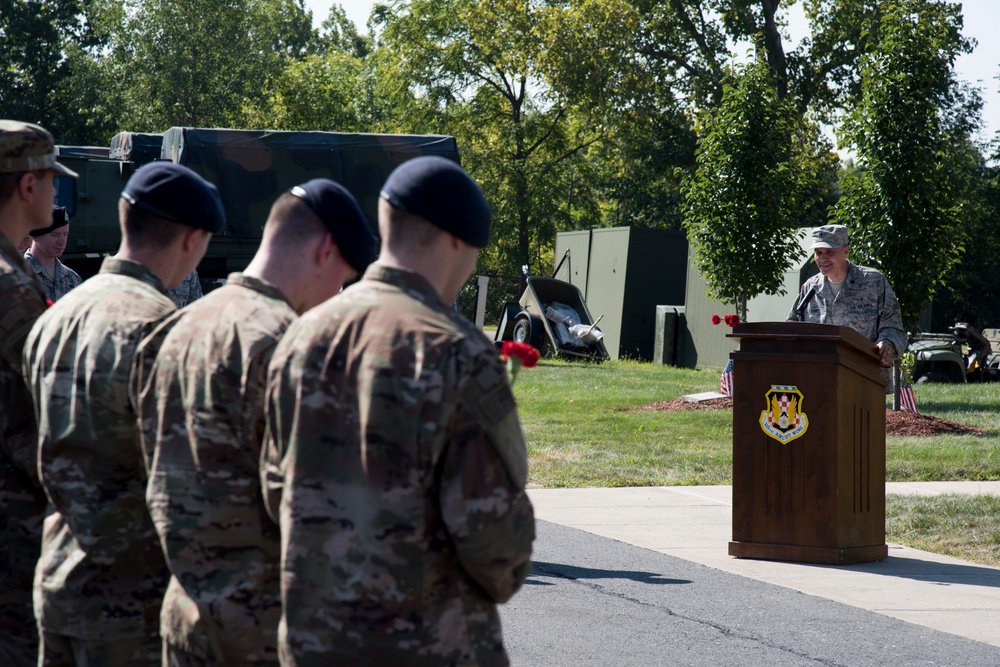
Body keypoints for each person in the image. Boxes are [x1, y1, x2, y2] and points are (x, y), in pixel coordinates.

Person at [261, 156, 536, 666]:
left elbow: (275, 490)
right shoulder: (459, 354)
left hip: (311, 641)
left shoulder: (300, 335)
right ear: (458, 241)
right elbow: (497, 546)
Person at [137, 179, 377, 666]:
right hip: (260, 627)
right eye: (343, 278)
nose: (338, 294)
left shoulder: (172, 328)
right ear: (326, 249)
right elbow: (317, 512)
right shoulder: (292, 345)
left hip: (182, 612)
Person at [23, 161, 225, 667]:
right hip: (130, 604)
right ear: (192, 239)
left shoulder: (54, 314)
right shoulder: (164, 331)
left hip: (56, 578)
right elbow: (189, 484)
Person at [0, 120, 77, 667]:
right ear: (29, 186)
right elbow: (40, 415)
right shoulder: (11, 285)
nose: (55, 192)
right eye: (52, 180)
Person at [787, 224, 908, 384]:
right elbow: (792, 326)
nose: (822, 259)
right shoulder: (810, 287)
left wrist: (887, 343)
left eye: (830, 252)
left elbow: (893, 325)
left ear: (845, 251)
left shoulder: (873, 282)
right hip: (817, 378)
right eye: (818, 253)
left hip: (864, 377)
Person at [24, 205, 83, 301]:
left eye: (65, 234)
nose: (61, 241)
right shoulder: (18, 274)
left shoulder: (73, 278)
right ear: (35, 236)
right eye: (54, 235)